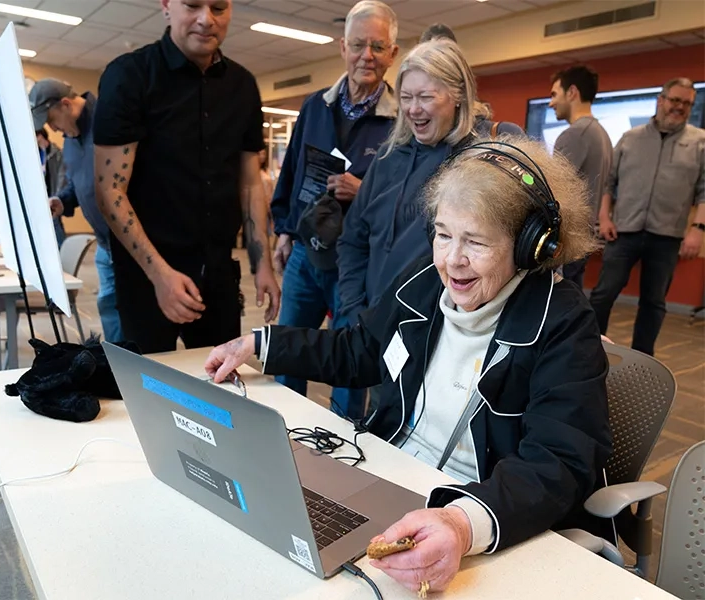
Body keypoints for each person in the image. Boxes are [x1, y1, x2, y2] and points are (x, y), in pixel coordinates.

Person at [204, 136, 612, 595]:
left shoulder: (563, 321)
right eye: (443, 234)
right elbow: (360, 350)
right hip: (394, 479)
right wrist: (260, 344)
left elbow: (559, 461)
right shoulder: (424, 281)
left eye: (475, 242)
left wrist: (461, 524)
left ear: (528, 248)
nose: (451, 261)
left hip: (484, 512)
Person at [93, 0, 279, 354]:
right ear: (166, 6)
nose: (206, 19)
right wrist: (160, 275)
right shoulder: (129, 76)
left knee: (218, 377)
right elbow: (110, 191)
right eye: (192, 5)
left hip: (218, 273)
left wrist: (263, 265)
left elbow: (249, 182)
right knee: (148, 380)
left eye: (219, 8)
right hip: (146, 275)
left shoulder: (243, 86)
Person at [337, 40, 522, 357]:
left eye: (425, 97)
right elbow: (353, 239)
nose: (413, 109)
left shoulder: (491, 150)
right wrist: (356, 310)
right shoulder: (388, 157)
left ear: (459, 94)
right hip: (378, 328)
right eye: (406, 97)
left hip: (452, 339)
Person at [270, 0, 399, 417]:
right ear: (343, 47)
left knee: (349, 363)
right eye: (358, 45)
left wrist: (364, 191)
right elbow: (292, 173)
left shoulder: (401, 122)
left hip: (356, 265)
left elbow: (408, 201)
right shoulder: (315, 107)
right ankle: (283, 431)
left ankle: (346, 442)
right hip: (305, 255)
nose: (367, 56)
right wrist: (284, 230)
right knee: (289, 350)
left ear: (392, 54)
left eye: (378, 47)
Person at [589, 77, 705, 356]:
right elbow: (608, 183)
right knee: (603, 294)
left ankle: (642, 359)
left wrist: (698, 229)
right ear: (661, 100)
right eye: (675, 100)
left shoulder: (700, 143)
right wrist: (604, 218)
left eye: (687, 103)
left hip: (667, 235)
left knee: (653, 303)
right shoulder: (631, 137)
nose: (680, 107)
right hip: (623, 231)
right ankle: (589, 350)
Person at [29, 79, 123, 343]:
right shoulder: (71, 140)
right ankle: (120, 361)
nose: (51, 129)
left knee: (135, 316)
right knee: (110, 309)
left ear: (65, 104)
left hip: (128, 243)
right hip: (105, 244)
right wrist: (62, 201)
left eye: (51, 120)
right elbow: (76, 182)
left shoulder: (109, 122)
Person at [548, 65, 612, 289]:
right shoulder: (601, 134)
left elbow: (551, 192)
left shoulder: (575, 134)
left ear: (572, 92)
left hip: (566, 241)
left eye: (554, 94)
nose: (551, 103)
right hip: (581, 238)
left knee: (560, 298)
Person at [36, 127, 67, 248]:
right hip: (42, 194)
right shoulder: (37, 152)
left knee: (55, 222)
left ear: (40, 136)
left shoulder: (56, 153)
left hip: (53, 194)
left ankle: (63, 249)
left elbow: (61, 176)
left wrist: (58, 196)